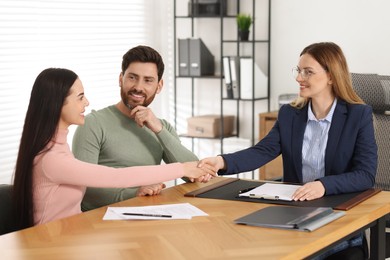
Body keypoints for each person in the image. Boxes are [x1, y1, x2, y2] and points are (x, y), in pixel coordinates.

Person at [199, 42, 377, 259]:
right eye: (299, 70)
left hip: (338, 213)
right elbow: (262, 151)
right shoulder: (290, 114)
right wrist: (221, 162)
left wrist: (323, 185)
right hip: (296, 212)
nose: (299, 78)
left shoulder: (358, 115)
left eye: (308, 72)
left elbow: (365, 175)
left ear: (331, 76)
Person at [12, 68, 216, 229]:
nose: (87, 102)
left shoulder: (58, 145)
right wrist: (182, 168)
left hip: (73, 234)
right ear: (57, 104)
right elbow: (115, 177)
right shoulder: (50, 158)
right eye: (80, 97)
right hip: (50, 245)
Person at [72, 45, 212, 212]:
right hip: (99, 220)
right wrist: (134, 193)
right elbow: (83, 186)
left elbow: (194, 173)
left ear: (159, 86)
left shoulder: (161, 127)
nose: (138, 87)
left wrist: (158, 129)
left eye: (148, 80)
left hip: (145, 215)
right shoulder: (93, 123)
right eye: (132, 77)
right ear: (120, 79)